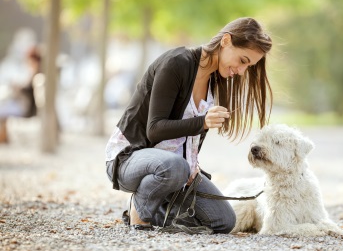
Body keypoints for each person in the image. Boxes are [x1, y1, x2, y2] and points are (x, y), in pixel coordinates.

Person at [105, 17, 273, 233]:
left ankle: (157, 208)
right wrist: (202, 122)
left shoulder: (215, 80)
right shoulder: (177, 63)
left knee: (224, 221)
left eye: (247, 66)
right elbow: (155, 129)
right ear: (226, 41)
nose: (241, 71)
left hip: (176, 169)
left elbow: (189, 141)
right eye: (242, 60)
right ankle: (139, 211)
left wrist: (192, 168)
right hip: (130, 158)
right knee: (175, 167)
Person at [0, 46, 41, 143]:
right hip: (27, 106)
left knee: (1, 111)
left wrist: (17, 88)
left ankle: (3, 138)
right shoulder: (36, 73)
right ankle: (4, 137)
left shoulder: (36, 74)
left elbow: (27, 90)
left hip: (26, 108)